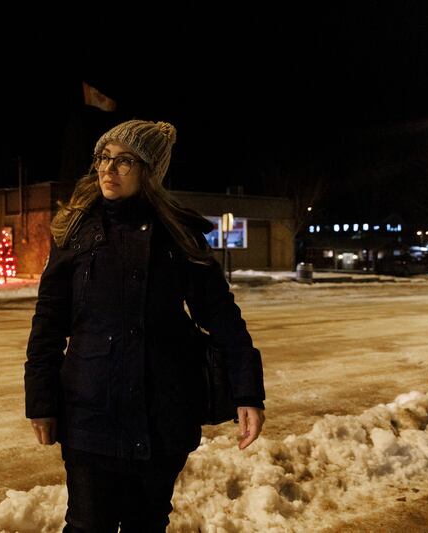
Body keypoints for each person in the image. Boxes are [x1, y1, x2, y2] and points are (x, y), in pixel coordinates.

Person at [24, 119, 266, 532]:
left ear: (149, 171)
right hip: (89, 413)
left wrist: (248, 391)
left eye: (123, 161)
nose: (107, 169)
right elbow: (48, 323)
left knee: (147, 523)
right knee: (87, 525)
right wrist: (41, 400)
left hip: (162, 415)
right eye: (103, 158)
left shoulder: (180, 234)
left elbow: (221, 315)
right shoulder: (75, 230)